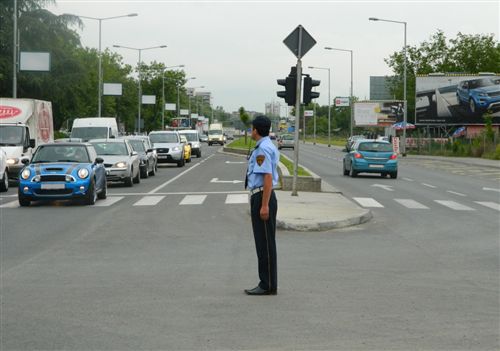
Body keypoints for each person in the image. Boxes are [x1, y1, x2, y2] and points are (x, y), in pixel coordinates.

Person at [244, 115, 279, 296]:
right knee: (265, 243)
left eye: (252, 128)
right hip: (263, 196)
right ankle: (268, 283)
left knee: (264, 244)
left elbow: (266, 178)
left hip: (262, 197)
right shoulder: (266, 146)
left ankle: (267, 284)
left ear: (256, 130)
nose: (251, 131)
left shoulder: (262, 150)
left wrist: (264, 206)